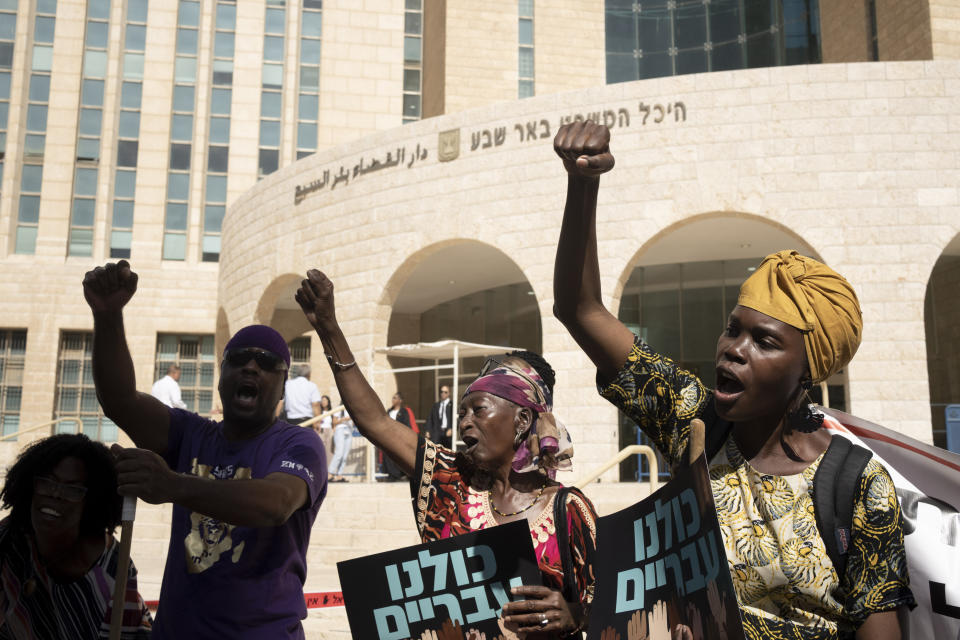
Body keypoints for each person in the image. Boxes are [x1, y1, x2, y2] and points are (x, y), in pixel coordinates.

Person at [551, 121, 914, 640]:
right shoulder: (693, 422)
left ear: (807, 370)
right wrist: (583, 185)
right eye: (731, 330)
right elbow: (580, 309)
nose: (732, 351)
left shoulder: (856, 485)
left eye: (763, 342)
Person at [295, 269, 598, 638]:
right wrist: (328, 328)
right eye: (461, 413)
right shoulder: (448, 480)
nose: (465, 423)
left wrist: (574, 614)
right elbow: (374, 421)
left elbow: (611, 608)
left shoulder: (569, 510)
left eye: (478, 410)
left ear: (521, 421)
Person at [82, 260, 327, 640]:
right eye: (239, 359)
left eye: (266, 363)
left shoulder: (298, 443)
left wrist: (173, 486)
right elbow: (120, 402)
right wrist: (108, 315)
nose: (251, 367)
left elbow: (277, 503)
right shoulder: (190, 434)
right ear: (221, 377)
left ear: (282, 387)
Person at [0, 433, 152, 639]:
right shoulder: (11, 536)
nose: (55, 494)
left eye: (72, 489)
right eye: (47, 482)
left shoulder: (112, 573)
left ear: (91, 503)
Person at [380, 392, 418, 482]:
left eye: (395, 398)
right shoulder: (389, 411)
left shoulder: (404, 412)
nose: (393, 400)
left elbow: (406, 425)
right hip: (389, 438)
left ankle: (401, 474)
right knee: (388, 455)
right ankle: (392, 475)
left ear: (400, 400)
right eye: (392, 398)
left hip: (399, 438)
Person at [328, 404, 354, 483]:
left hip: (349, 431)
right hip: (340, 429)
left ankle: (339, 475)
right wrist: (343, 419)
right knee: (339, 453)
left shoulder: (351, 408)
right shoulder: (339, 408)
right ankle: (330, 474)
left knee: (345, 455)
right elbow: (334, 422)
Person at [316, 394, 335, 458]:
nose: (323, 402)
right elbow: (316, 423)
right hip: (321, 430)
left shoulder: (331, 412)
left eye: (325, 400)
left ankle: (328, 466)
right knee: (321, 448)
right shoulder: (319, 412)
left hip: (329, 430)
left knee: (329, 450)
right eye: (322, 401)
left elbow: (333, 423)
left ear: (328, 402)